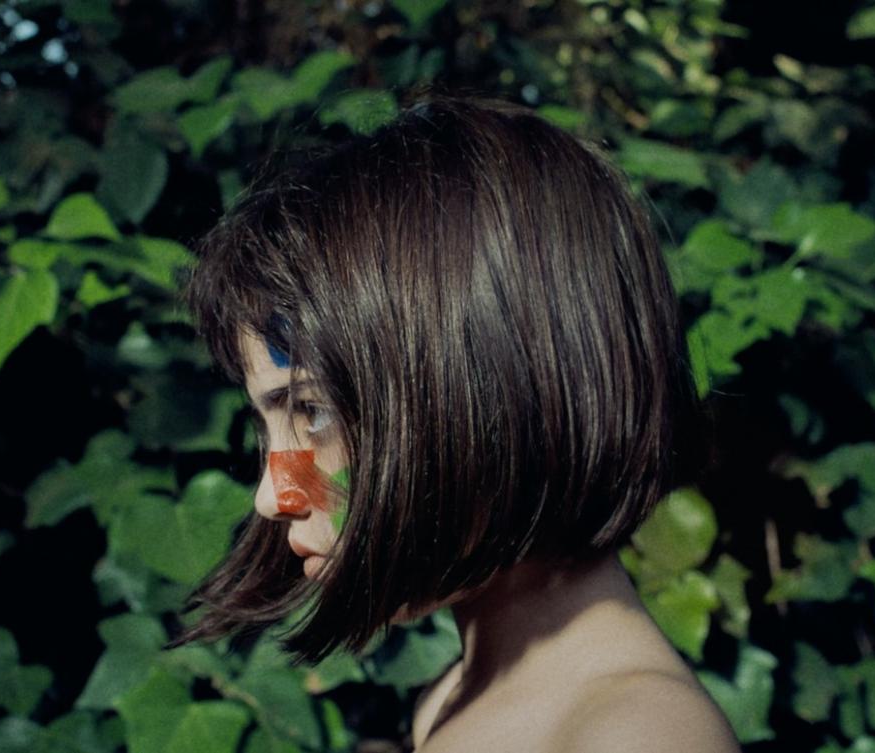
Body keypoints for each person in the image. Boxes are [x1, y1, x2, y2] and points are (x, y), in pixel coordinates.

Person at [178, 91, 741, 753]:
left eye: (312, 410)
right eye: (271, 422)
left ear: (493, 383)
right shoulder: (458, 695)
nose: (272, 495)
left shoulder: (636, 739)